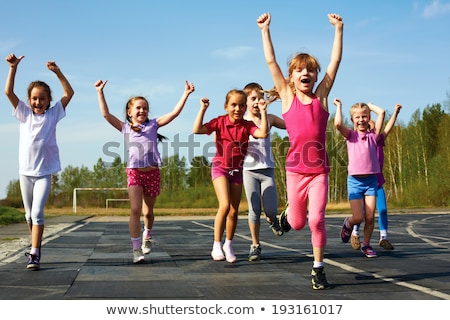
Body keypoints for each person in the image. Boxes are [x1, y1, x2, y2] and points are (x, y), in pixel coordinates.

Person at [257, 12, 343, 290]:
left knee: (316, 219)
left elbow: (335, 63)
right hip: (295, 172)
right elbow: (270, 61)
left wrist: (338, 30)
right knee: (296, 224)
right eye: (299, 70)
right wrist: (265, 30)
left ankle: (318, 269)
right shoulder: (287, 96)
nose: (306, 73)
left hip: (319, 172)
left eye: (311, 70)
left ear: (316, 75)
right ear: (291, 77)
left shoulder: (321, 97)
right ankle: (285, 216)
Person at [95, 79, 195, 263]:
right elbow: (106, 115)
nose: (142, 111)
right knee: (135, 209)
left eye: (145, 108)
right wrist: (100, 92)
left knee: (148, 212)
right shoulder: (124, 127)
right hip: (135, 172)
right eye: (138, 108)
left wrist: (186, 94)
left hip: (152, 173)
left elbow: (174, 113)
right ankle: (135, 249)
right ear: (129, 112)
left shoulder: (153, 125)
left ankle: (147, 236)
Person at [4, 53, 74, 269]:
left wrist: (57, 72)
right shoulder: (24, 114)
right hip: (25, 173)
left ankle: (34, 252)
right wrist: (13, 68)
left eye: (42, 98)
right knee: (28, 214)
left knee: (37, 213)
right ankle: (35, 244)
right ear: (29, 101)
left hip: (44, 173)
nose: (38, 102)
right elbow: (8, 91)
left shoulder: (53, 115)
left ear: (48, 101)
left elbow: (69, 93)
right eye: (34, 98)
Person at [193, 90, 268, 263]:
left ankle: (228, 244)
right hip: (220, 168)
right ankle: (216, 245)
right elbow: (197, 129)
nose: (238, 109)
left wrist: (263, 112)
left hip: (237, 171)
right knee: (225, 205)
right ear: (226, 106)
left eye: (242, 105)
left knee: (234, 211)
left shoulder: (247, 125)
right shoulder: (219, 122)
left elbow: (263, 133)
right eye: (234, 105)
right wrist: (203, 109)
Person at [334, 98, 385, 258]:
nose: (361, 120)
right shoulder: (351, 135)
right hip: (355, 182)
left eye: (364, 116)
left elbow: (382, 112)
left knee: (370, 217)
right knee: (358, 217)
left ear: (369, 118)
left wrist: (370, 106)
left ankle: (367, 245)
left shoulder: (373, 135)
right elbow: (337, 125)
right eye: (358, 117)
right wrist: (339, 107)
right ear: (352, 120)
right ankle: (348, 224)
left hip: (371, 181)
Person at [242, 82, 286, 262]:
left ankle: (273, 220)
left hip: (267, 170)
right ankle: (255, 245)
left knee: (269, 210)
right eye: (253, 98)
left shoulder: (269, 118)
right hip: (248, 170)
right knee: (254, 209)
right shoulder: (242, 121)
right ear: (245, 102)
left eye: (260, 97)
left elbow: (289, 125)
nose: (257, 101)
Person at [351, 104, 402, 251]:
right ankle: (355, 233)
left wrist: (396, 113)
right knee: (360, 212)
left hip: (377, 182)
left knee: (382, 210)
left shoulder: (378, 140)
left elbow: (388, 127)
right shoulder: (360, 140)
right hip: (362, 181)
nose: (372, 126)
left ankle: (383, 238)